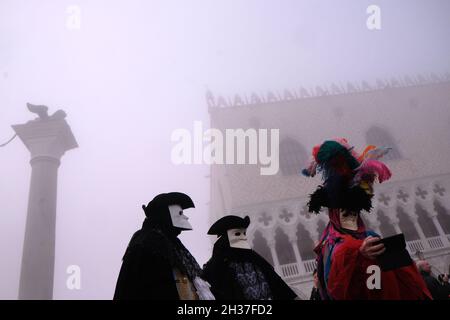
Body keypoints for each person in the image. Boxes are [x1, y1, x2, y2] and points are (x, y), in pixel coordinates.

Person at [302, 138, 432, 300]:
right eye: (345, 213)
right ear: (334, 213)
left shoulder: (368, 238)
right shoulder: (336, 247)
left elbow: (380, 287)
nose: (351, 220)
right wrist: (359, 255)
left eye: (353, 213)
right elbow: (339, 290)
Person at [113, 192, 214, 300]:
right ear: (165, 215)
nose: (185, 217)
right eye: (179, 213)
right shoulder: (149, 243)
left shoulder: (171, 243)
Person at [203, 215, 298, 300]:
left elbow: (275, 281)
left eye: (244, 233)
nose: (243, 237)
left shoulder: (254, 258)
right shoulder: (216, 265)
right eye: (237, 234)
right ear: (226, 238)